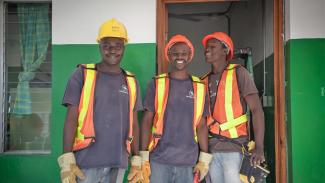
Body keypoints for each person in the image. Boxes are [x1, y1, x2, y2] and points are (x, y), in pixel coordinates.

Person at [57, 18, 143, 183]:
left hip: (118, 160)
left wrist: (136, 159)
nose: (112, 50)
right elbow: (71, 118)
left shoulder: (131, 81)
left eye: (117, 46)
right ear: (99, 47)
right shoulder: (82, 74)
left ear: (123, 48)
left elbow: (134, 124)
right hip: (86, 161)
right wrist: (67, 159)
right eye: (107, 45)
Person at [140, 34, 212, 183]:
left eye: (184, 53)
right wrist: (143, 156)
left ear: (190, 55)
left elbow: (202, 124)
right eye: (175, 53)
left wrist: (204, 158)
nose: (180, 57)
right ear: (169, 56)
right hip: (159, 158)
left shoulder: (199, 87)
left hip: (188, 161)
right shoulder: (157, 83)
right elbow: (147, 121)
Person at [200, 32, 265, 183]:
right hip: (211, 150)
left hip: (235, 148)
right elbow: (201, 121)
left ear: (225, 50)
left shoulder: (239, 73)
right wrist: (203, 155)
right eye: (206, 47)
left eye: (212, 46)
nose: (207, 50)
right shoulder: (202, 81)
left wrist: (259, 146)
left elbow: (257, 110)